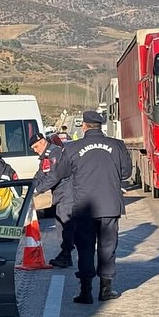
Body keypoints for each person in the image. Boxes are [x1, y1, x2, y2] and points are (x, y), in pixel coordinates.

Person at [33, 111, 132, 303]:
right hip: (109, 205)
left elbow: (61, 172)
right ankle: (106, 289)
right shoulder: (117, 145)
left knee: (85, 248)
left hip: (84, 207)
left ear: (84, 126)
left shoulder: (72, 148)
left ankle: (85, 292)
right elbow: (126, 173)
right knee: (107, 247)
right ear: (101, 126)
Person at [30, 132, 74, 268]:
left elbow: (53, 176)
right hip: (61, 194)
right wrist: (30, 187)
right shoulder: (46, 157)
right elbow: (40, 175)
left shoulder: (54, 153)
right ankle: (66, 254)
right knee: (62, 224)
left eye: (36, 147)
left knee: (64, 224)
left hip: (67, 193)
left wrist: (37, 191)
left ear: (43, 142)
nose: (35, 150)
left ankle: (66, 255)